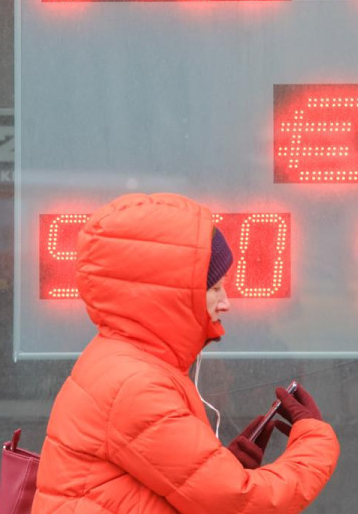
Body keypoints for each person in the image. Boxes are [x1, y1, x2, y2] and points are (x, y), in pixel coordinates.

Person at [32, 193, 340, 513]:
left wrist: (221, 467)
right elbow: (239, 502)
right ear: (169, 294)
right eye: (214, 288)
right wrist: (313, 442)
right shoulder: (136, 385)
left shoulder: (123, 362)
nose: (226, 303)